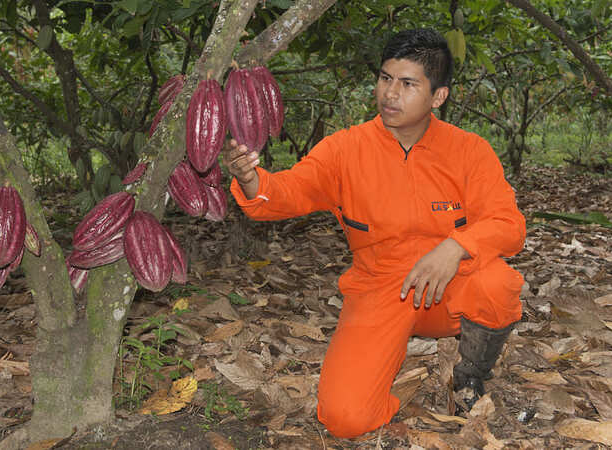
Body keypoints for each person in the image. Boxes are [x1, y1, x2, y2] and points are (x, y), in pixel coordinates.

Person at [224, 28, 525, 439]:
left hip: (450, 290)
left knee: (497, 282)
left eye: (407, 84)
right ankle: (392, 383)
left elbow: (508, 224)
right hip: (381, 289)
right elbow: (290, 191)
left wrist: (456, 247)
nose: (390, 94)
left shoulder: (469, 151)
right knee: (345, 418)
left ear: (438, 96)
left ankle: (469, 377)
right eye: (385, 78)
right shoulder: (345, 149)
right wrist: (251, 180)